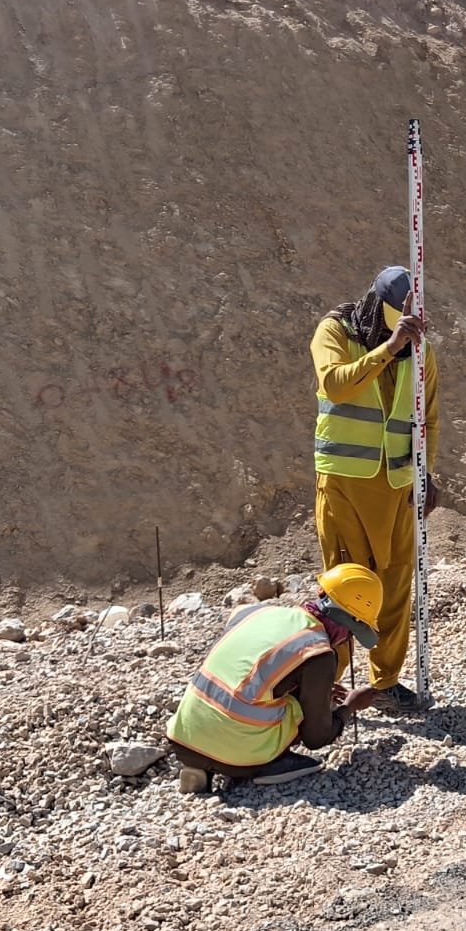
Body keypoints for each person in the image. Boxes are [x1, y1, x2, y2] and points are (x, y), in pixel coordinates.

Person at [311, 265, 440, 710]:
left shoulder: (420, 351)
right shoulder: (334, 331)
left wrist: (427, 473)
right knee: (346, 585)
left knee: (396, 582)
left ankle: (384, 682)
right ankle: (323, 685)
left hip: (396, 487)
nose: (407, 324)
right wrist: (389, 347)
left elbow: (429, 417)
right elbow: (335, 384)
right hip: (346, 485)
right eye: (397, 314)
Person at [165, 564, 382, 793]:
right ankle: (269, 764)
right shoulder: (318, 653)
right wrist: (350, 706)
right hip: (237, 756)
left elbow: (250, 675)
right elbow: (316, 738)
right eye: (351, 634)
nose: (346, 640)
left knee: (267, 698)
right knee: (298, 708)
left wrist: (316, 687)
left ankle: (201, 766)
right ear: (347, 624)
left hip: (183, 739)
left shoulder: (259, 612)